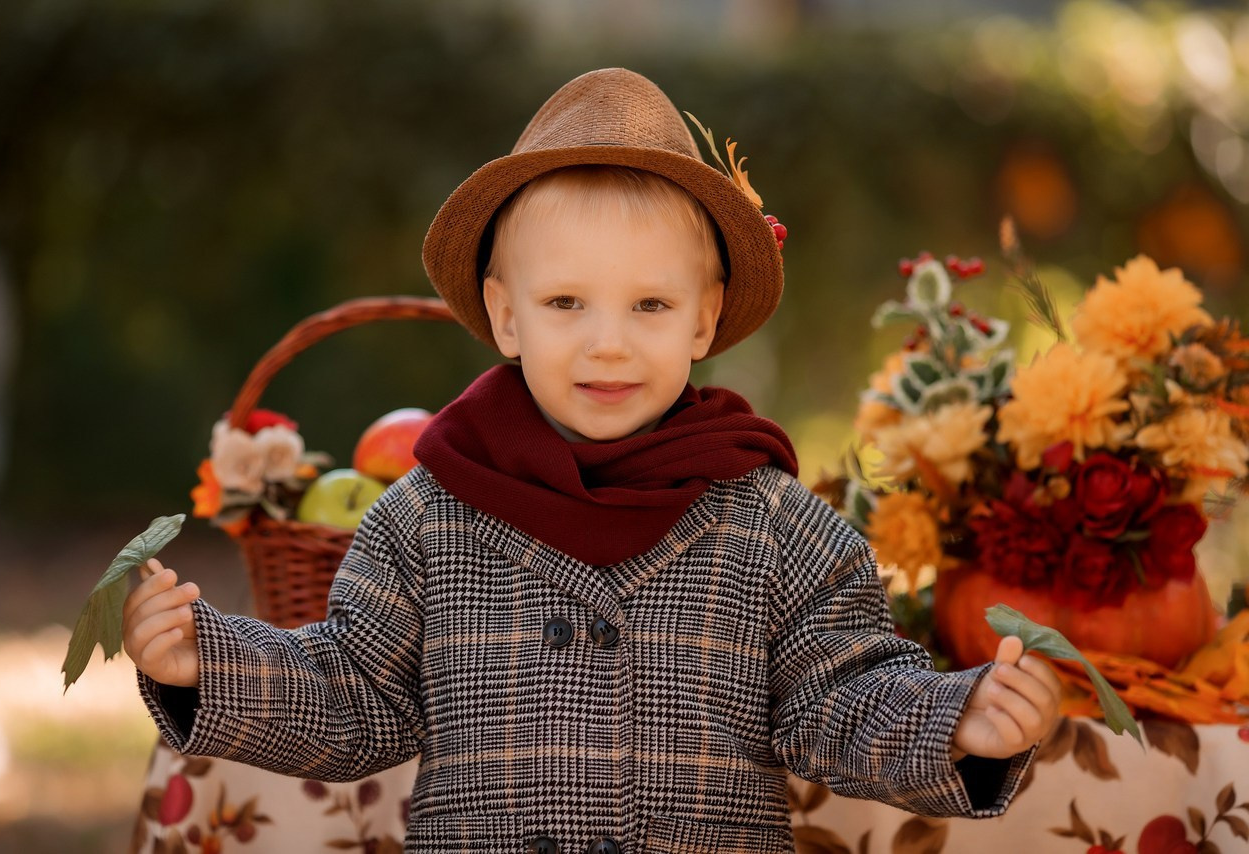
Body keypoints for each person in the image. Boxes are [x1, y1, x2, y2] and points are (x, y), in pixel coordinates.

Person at [123, 67, 1060, 853]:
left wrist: (954, 724)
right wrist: (209, 665)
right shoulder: (426, 514)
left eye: (649, 307)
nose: (607, 345)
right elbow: (355, 694)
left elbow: (839, 694)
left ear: (703, 318)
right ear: (504, 316)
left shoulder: (776, 525)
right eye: (567, 303)